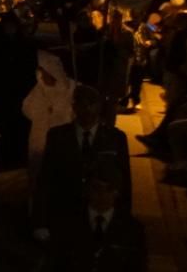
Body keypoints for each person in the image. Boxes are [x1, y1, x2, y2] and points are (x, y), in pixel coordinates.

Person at [33, 84, 131, 237]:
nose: (86, 109)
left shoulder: (115, 138)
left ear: (99, 106)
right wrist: (40, 223)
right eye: (81, 103)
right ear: (74, 106)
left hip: (98, 213)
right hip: (65, 214)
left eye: (91, 103)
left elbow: (125, 181)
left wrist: (124, 219)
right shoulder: (58, 136)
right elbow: (45, 179)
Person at [22, 52, 75, 193]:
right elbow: (27, 108)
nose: (42, 75)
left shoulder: (69, 89)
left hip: (61, 141)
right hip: (40, 138)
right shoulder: (39, 89)